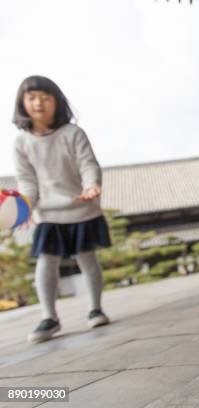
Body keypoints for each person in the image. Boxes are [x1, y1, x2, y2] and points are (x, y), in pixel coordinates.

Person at [12, 75, 111, 343]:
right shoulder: (21, 143)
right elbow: (27, 182)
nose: (39, 103)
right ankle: (49, 317)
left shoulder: (72, 133)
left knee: (87, 258)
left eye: (46, 97)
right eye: (32, 97)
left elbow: (88, 164)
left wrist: (92, 186)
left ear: (57, 102)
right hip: (48, 212)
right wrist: (24, 207)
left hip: (81, 208)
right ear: (22, 103)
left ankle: (95, 309)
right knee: (46, 262)